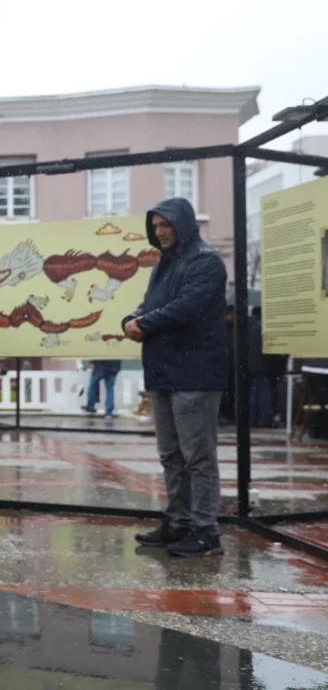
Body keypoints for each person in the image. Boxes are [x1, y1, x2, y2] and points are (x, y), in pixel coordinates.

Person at [123, 198, 228, 558]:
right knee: (171, 454)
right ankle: (178, 522)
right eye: (155, 227)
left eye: (165, 225)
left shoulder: (205, 260)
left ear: (183, 223)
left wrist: (144, 323)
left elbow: (187, 308)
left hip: (195, 373)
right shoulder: (164, 263)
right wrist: (131, 317)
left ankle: (205, 530)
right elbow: (151, 304)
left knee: (197, 456)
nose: (160, 232)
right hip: (164, 371)